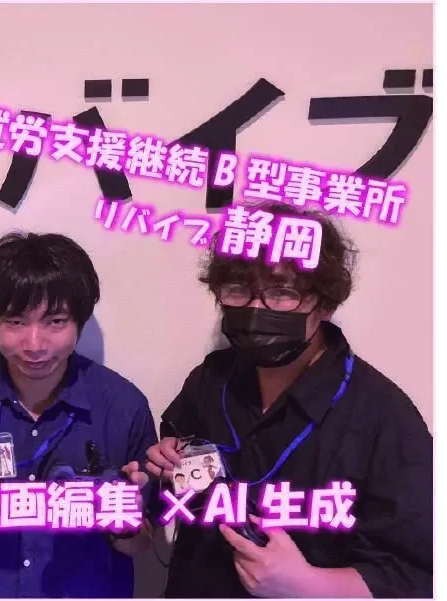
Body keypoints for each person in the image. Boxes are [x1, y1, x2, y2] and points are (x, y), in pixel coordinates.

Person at [143, 202, 433, 598]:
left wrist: (311, 586)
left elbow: (417, 575)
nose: (255, 309)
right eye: (238, 290)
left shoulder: (384, 418)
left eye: (282, 293)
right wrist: (166, 464)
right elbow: (184, 476)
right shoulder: (210, 380)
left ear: (325, 304)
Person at [0, 232, 156, 598]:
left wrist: (124, 521)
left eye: (55, 321)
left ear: (79, 322)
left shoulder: (122, 405)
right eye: (16, 322)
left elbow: (140, 545)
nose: (35, 344)